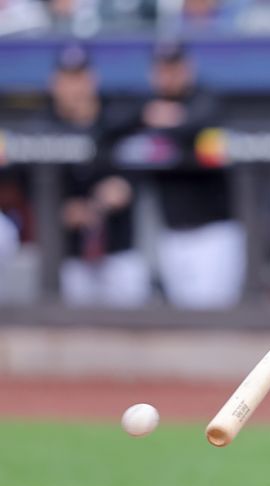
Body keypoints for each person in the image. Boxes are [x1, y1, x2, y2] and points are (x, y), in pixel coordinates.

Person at [137, 41, 245, 309]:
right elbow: (115, 126)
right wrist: (150, 116)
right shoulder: (146, 107)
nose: (169, 75)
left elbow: (201, 123)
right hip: (171, 236)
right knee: (182, 321)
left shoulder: (206, 100)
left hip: (214, 236)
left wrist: (168, 120)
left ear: (188, 69)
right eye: (162, 69)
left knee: (216, 318)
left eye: (174, 68)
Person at [49, 43, 151, 307]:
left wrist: (124, 185)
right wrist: (61, 209)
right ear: (55, 84)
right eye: (68, 79)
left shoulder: (116, 119)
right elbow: (30, 188)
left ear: (93, 79)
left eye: (80, 77)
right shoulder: (45, 127)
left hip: (119, 252)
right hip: (70, 256)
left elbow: (137, 168)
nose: (75, 87)